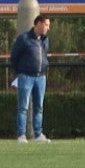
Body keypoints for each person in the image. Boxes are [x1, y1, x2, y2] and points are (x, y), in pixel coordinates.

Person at [10, 14, 51, 143]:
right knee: (23, 107)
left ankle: (38, 134)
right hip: (26, 76)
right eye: (46, 25)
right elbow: (14, 57)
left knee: (39, 107)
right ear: (39, 24)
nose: (48, 28)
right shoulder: (24, 39)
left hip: (41, 77)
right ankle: (21, 135)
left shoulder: (45, 40)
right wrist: (21, 71)